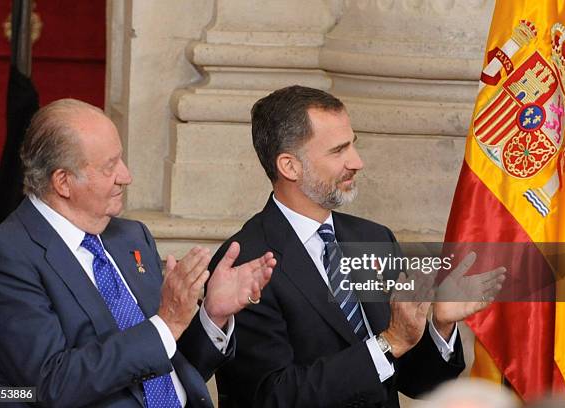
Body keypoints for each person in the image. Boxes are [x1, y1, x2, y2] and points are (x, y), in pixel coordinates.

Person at [0, 99, 276, 408]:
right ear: (63, 182)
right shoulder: (4, 256)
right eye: (109, 166)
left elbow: (168, 360)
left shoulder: (131, 237)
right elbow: (51, 385)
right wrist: (167, 322)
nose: (126, 176)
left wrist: (212, 315)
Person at [210, 85, 505, 407]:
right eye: (338, 151)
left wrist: (442, 325)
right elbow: (272, 396)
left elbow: (420, 383)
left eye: (353, 145)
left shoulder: (375, 240)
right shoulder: (244, 262)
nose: (357, 161)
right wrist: (387, 343)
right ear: (289, 166)